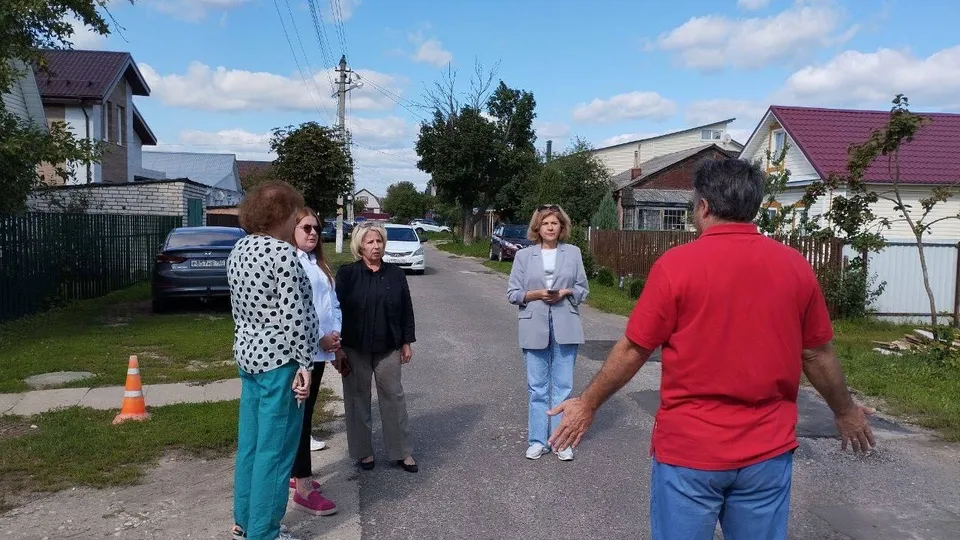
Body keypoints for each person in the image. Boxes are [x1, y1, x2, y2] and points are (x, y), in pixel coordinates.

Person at [547, 159, 876, 540]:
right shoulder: (795, 266)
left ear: (703, 207)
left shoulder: (676, 266)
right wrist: (845, 411)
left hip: (690, 452)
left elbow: (635, 349)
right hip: (766, 454)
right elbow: (816, 354)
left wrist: (587, 404)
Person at [228, 180, 319, 540]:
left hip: (248, 359)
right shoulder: (283, 254)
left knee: (251, 445)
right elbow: (296, 317)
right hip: (281, 363)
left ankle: (245, 522)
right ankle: (264, 532)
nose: (297, 220)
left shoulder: (239, 249)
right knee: (276, 451)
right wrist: (306, 364)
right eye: (295, 213)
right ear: (281, 215)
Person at [506, 205, 589, 462]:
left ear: (561, 227)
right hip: (534, 325)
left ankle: (560, 442)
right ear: (537, 228)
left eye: (554, 223)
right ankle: (537, 441)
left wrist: (566, 292)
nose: (550, 227)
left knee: (563, 386)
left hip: (566, 324)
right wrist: (536, 295)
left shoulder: (573, 253)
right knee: (537, 388)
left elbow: (583, 290)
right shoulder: (524, 256)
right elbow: (513, 293)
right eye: (545, 223)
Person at [335, 222, 419, 473]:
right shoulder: (348, 274)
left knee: (394, 397)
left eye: (379, 241)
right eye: (370, 241)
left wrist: (406, 341)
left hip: (388, 346)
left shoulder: (395, 274)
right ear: (360, 245)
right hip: (354, 347)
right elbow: (336, 311)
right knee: (357, 398)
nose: (375, 246)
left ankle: (402, 452)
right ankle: (363, 452)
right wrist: (337, 348)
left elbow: (406, 309)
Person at [288, 207, 339, 517]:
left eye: (316, 228)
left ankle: (297, 473)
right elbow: (297, 310)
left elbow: (332, 304)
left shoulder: (317, 263)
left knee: (305, 417)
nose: (313, 233)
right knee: (300, 419)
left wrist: (335, 335)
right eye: (306, 227)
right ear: (292, 230)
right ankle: (303, 487)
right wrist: (320, 338)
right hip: (302, 353)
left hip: (320, 351)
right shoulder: (291, 262)